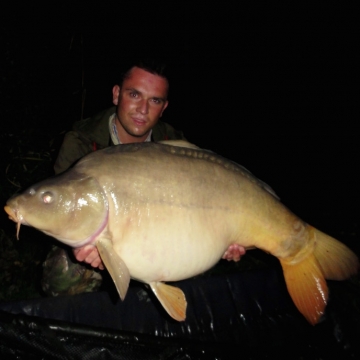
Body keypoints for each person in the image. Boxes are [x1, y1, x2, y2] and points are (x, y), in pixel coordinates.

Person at [42, 59, 245, 296]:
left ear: (164, 107)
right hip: (106, 239)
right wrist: (79, 245)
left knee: (196, 256)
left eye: (154, 100)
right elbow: (64, 212)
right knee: (64, 271)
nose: (143, 109)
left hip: (160, 235)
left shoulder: (175, 144)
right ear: (117, 94)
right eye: (135, 95)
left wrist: (222, 238)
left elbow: (201, 207)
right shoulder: (81, 141)